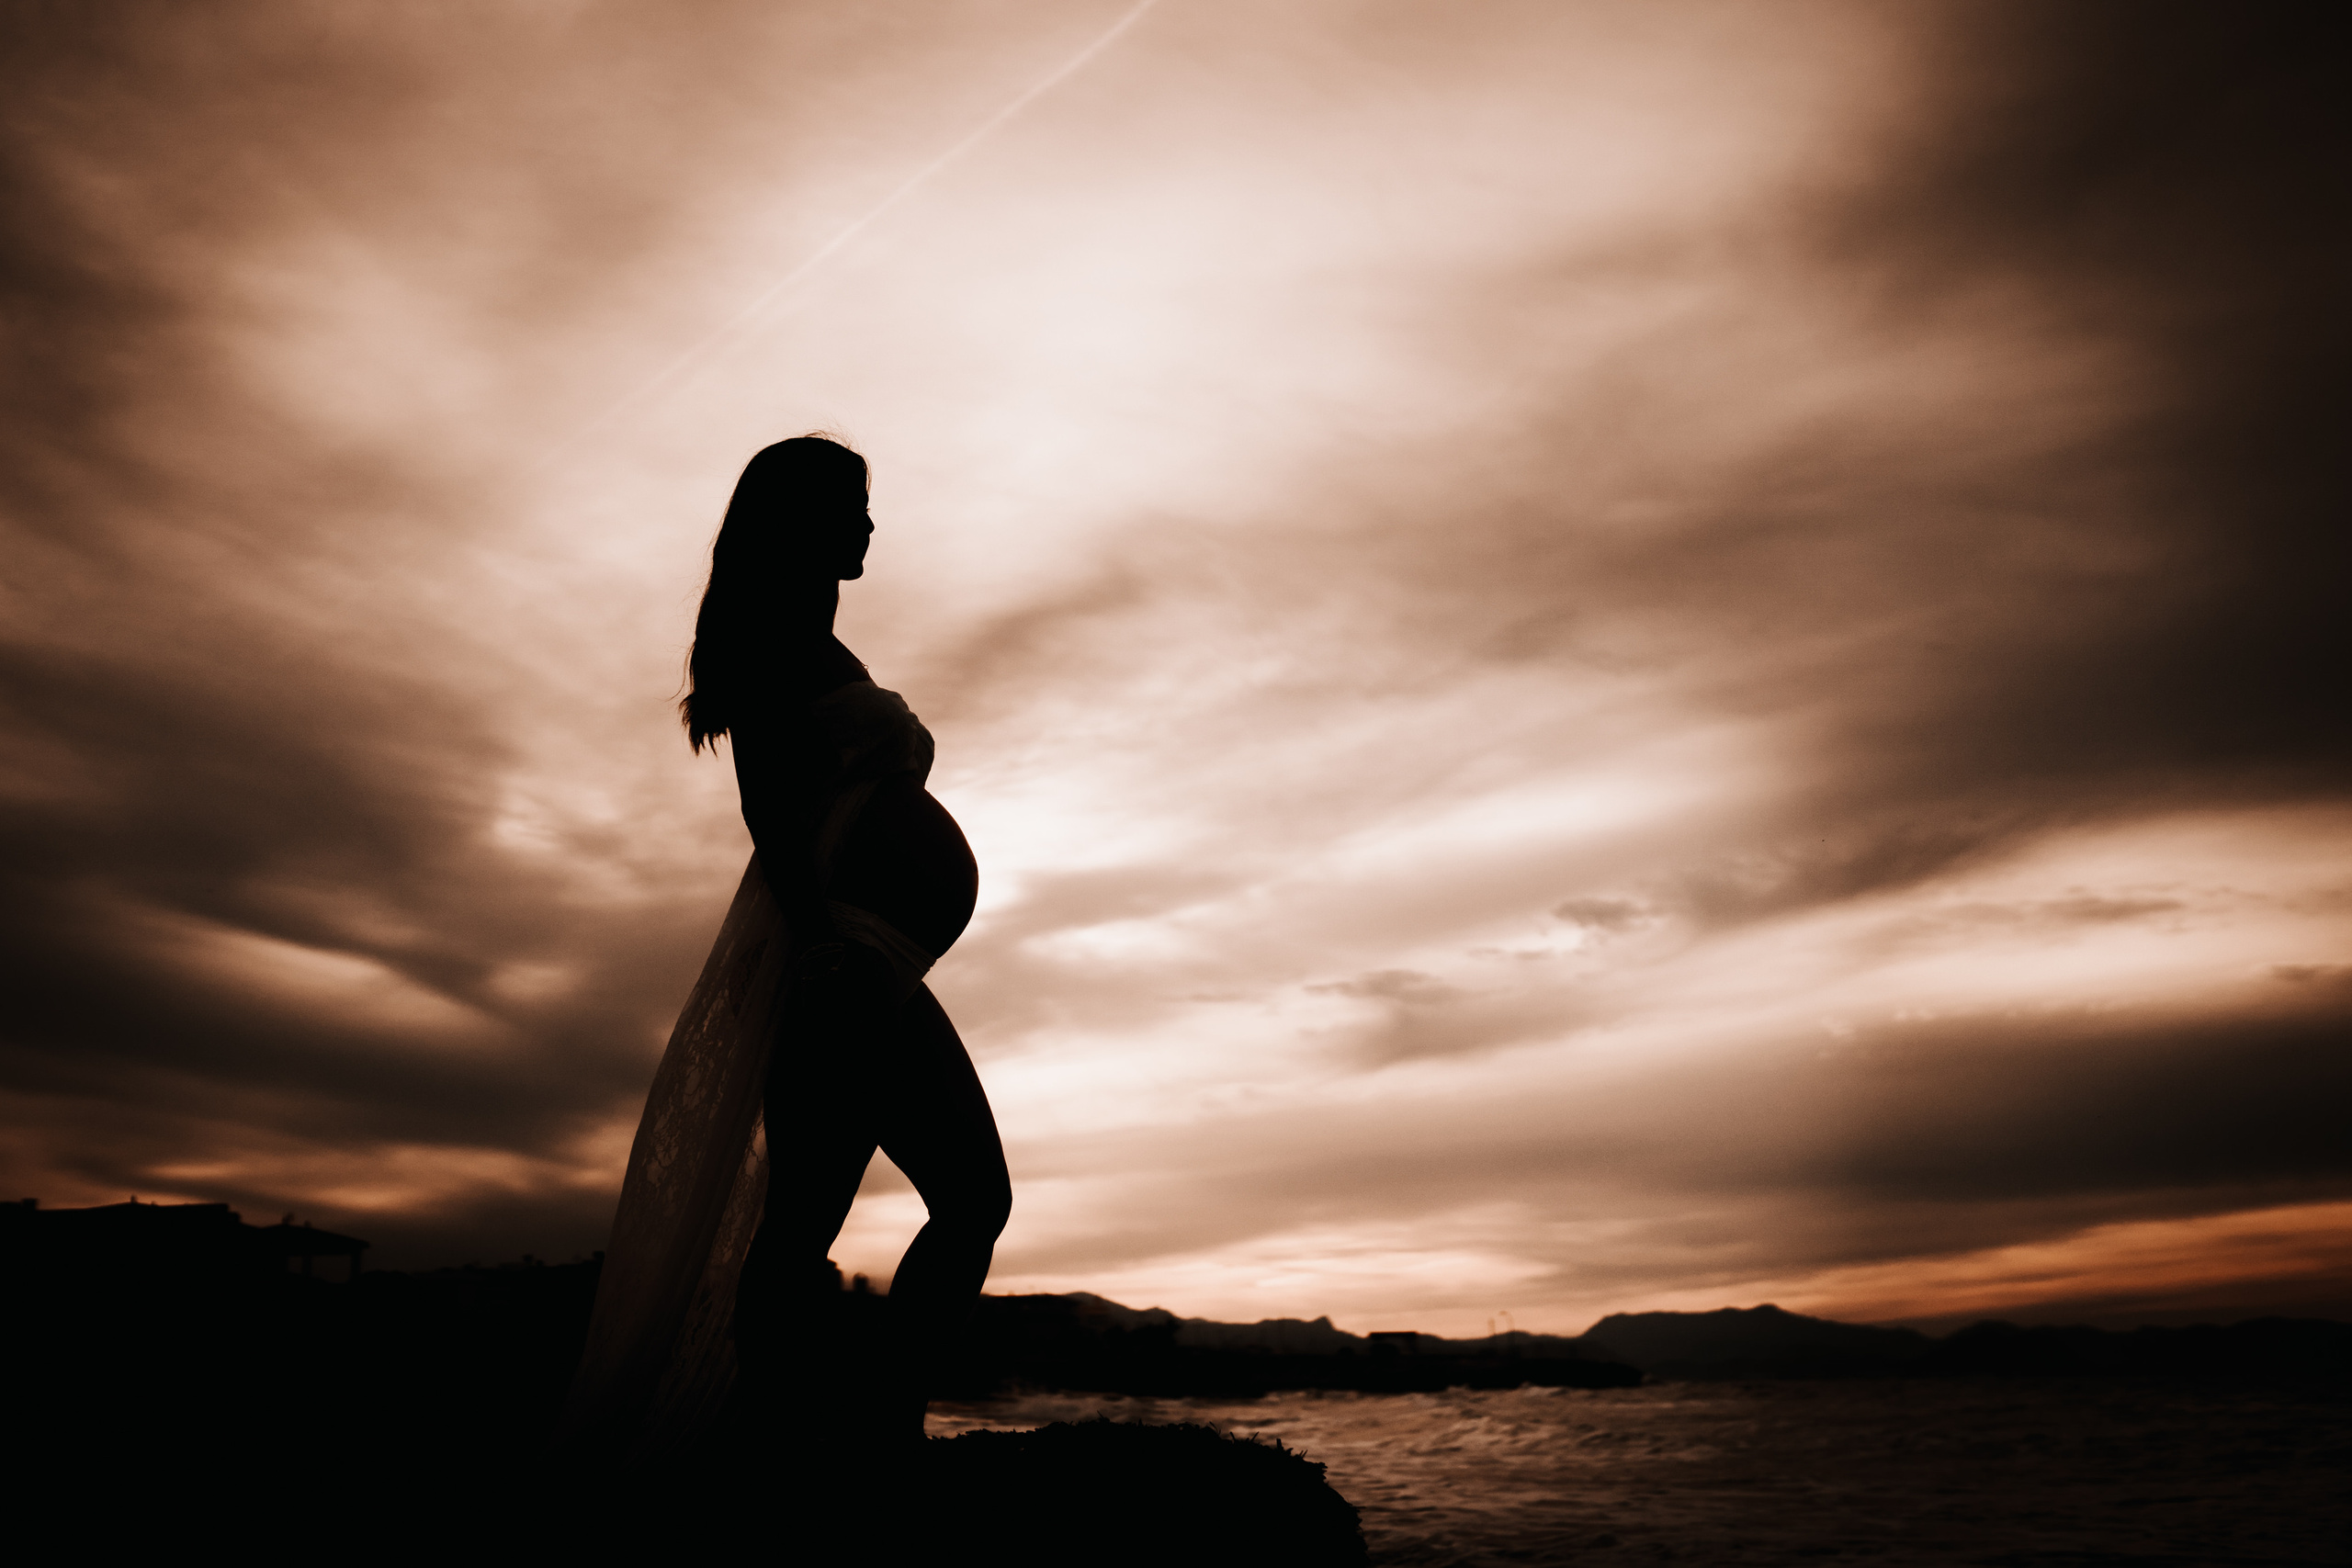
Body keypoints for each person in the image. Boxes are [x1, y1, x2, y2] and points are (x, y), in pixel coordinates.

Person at [565, 435, 1010, 1460]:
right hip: (845, 958)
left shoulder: (815, 639)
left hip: (879, 958)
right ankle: (834, 1441)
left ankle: (854, 1427)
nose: (866, 525)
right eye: (851, 506)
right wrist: (820, 948)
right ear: (797, 521)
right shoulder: (770, 637)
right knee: (849, 1217)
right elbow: (768, 807)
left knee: (922, 1207)